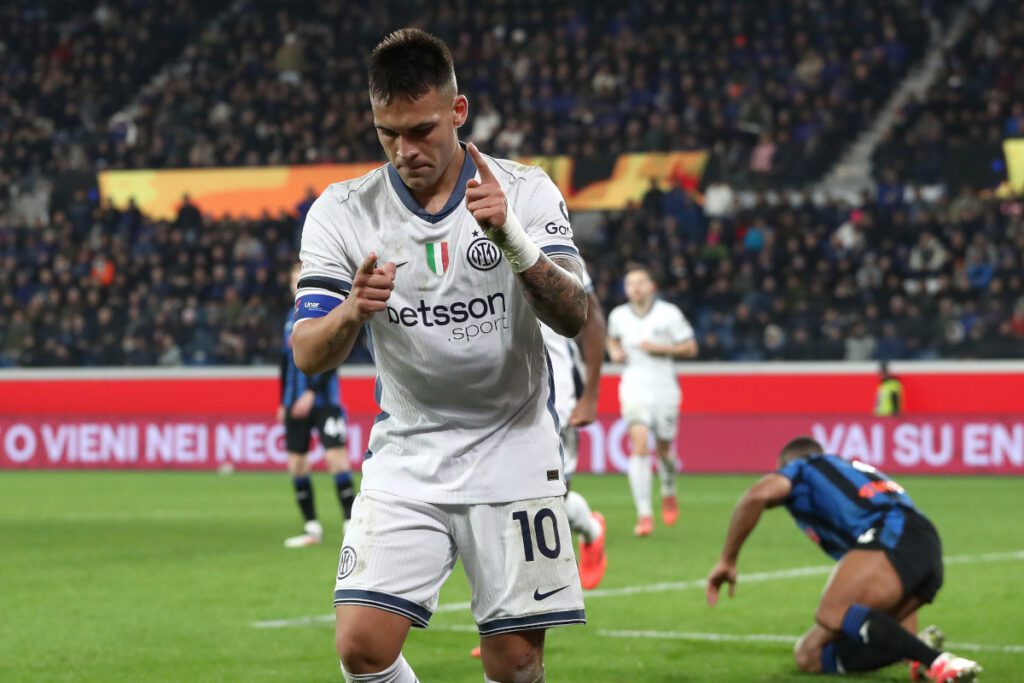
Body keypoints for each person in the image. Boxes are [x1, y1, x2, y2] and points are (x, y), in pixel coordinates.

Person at [290, 28, 589, 683]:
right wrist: (350, 310)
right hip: (409, 450)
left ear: (458, 112)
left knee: (517, 665)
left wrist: (512, 237)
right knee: (361, 646)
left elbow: (576, 314)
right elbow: (309, 352)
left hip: (514, 445)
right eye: (388, 133)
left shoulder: (525, 191)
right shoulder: (342, 211)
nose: (406, 149)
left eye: (422, 129)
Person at [706, 437, 982, 682]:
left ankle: (940, 663)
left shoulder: (804, 467)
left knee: (832, 610)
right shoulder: (850, 469)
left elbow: (757, 494)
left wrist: (727, 560)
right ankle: (920, 651)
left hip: (893, 534)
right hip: (920, 547)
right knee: (810, 654)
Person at [471, 263, 609, 659]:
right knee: (493, 500)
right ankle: (507, 620)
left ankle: (517, 622)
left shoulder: (543, 228)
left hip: (553, 393)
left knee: (542, 500)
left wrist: (592, 394)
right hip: (498, 393)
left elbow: (592, 315)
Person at [606, 265, 698, 536]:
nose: (635, 287)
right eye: (630, 283)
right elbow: (612, 340)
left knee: (665, 451)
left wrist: (661, 349)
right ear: (625, 289)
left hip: (664, 387)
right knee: (639, 445)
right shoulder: (618, 316)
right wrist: (614, 352)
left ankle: (668, 488)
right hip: (633, 385)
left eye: (641, 282)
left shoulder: (669, 314)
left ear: (651, 287)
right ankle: (644, 513)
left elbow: (691, 347)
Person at [279, 263, 356, 548]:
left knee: (336, 459)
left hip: (324, 402)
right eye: (293, 281)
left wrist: (311, 393)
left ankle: (351, 523)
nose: (296, 286)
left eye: (301, 281)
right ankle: (312, 528)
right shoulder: (290, 319)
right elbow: (284, 364)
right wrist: (281, 402)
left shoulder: (324, 311)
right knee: (297, 464)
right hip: (292, 404)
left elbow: (332, 359)